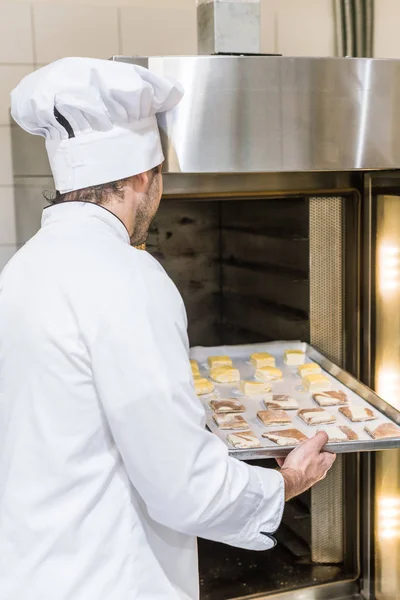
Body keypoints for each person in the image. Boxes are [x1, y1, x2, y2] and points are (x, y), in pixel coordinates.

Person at [0, 57, 336, 600]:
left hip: (34, 569)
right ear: (141, 176)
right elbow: (182, 486)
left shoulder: (23, 268)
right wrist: (285, 482)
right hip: (108, 577)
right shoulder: (127, 275)